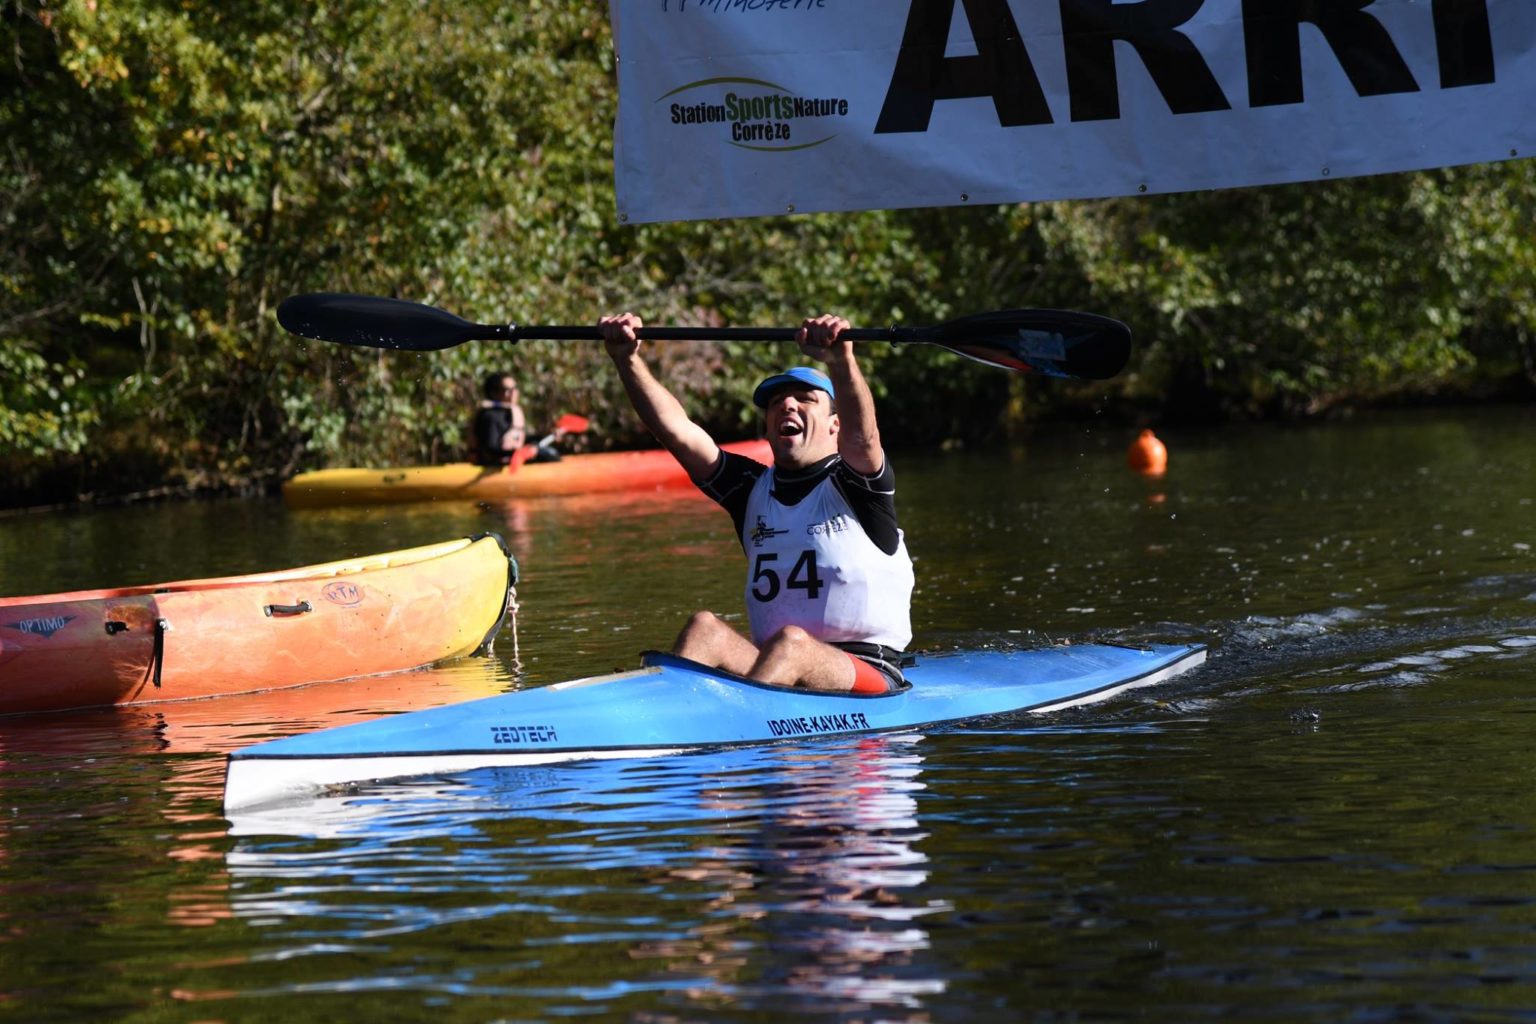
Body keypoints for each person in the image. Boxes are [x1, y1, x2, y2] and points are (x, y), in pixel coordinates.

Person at [598, 311, 914, 694]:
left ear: (835, 424)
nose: (787, 406)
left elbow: (864, 440)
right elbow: (677, 433)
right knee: (705, 628)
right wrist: (626, 359)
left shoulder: (857, 485)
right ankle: (658, 714)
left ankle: (726, 722)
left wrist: (841, 359)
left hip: (868, 672)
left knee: (791, 643)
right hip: (773, 667)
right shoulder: (750, 489)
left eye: (804, 399)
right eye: (777, 402)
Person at [470, 372, 561, 466]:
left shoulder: (509, 413)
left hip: (510, 462)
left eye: (515, 389)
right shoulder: (490, 416)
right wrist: (518, 453)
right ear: (493, 393)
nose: (513, 393)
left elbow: (518, 439)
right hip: (494, 465)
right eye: (507, 390)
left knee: (551, 453)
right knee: (547, 456)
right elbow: (490, 448)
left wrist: (545, 436)